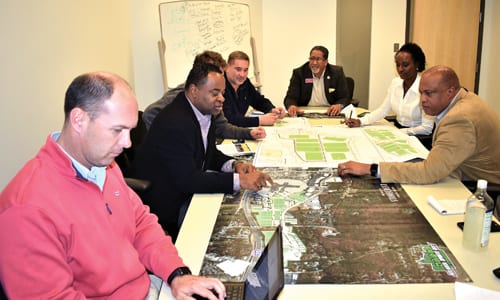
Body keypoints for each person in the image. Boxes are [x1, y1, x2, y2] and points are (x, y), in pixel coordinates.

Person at [0, 72, 225, 299]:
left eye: (130, 130)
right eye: (117, 130)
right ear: (79, 120)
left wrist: (178, 274)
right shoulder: (26, 208)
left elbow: (141, 224)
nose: (127, 143)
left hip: (148, 287)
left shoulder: (102, 165)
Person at [132, 63, 274, 242]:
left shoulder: (203, 112)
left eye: (222, 93)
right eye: (214, 93)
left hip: (185, 189)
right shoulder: (175, 122)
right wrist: (240, 181)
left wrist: (234, 166)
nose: (221, 98)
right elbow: (188, 180)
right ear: (194, 91)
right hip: (167, 203)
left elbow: (210, 153)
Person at [338, 65, 500, 186]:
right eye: (421, 93)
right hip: (460, 171)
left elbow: (429, 172)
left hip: (475, 187)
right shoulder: (465, 98)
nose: (422, 100)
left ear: (450, 91)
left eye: (429, 93)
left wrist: (370, 169)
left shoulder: (459, 119)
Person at [143, 50, 266, 140]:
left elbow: (222, 127)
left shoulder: (213, 97)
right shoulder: (179, 96)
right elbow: (149, 114)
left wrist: (248, 133)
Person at [345, 43, 434, 137]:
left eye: (405, 65)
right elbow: (383, 110)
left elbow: (426, 128)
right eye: (398, 65)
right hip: (397, 130)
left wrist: (401, 132)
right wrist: (360, 121)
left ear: (417, 64)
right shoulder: (395, 83)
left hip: (417, 136)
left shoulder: (425, 88)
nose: (400, 69)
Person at [223, 50, 286, 127]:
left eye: (245, 70)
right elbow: (229, 118)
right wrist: (259, 120)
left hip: (237, 131)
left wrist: (271, 109)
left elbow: (258, 100)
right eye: (238, 69)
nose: (242, 74)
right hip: (223, 134)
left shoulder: (245, 83)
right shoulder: (219, 86)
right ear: (227, 67)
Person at [284, 45, 350, 117]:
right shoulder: (300, 73)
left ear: (325, 62)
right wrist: (291, 106)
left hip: (330, 113)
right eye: (312, 59)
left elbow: (344, 97)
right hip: (305, 113)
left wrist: (339, 105)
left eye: (318, 59)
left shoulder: (336, 73)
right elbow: (290, 98)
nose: (314, 63)